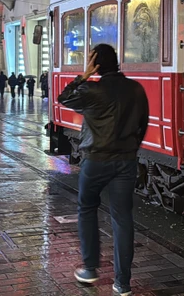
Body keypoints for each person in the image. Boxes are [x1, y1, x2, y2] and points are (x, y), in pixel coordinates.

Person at [58, 44, 149, 296]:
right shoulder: (136, 89)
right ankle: (122, 283)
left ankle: (90, 269)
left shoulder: (91, 89)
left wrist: (83, 75)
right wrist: (129, 150)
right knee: (122, 218)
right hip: (125, 161)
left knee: (87, 208)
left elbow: (63, 97)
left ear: (95, 64)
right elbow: (143, 125)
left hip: (95, 160)